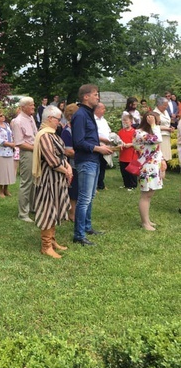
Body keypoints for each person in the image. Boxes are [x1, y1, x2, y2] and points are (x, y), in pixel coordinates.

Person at [71, 84, 113, 246]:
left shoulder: (88, 114)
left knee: (90, 197)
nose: (98, 97)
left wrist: (101, 146)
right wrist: (98, 148)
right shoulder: (80, 115)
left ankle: (87, 227)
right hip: (86, 160)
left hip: (93, 159)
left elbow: (89, 138)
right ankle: (79, 235)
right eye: (95, 94)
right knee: (84, 198)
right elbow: (79, 142)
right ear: (86, 97)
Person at [32, 105, 72, 258]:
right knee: (48, 210)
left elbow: (61, 155)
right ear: (49, 119)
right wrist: (66, 169)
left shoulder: (52, 134)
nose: (59, 122)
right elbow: (51, 159)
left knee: (55, 208)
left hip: (56, 179)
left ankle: (52, 240)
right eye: (57, 119)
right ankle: (46, 246)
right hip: (48, 180)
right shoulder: (45, 135)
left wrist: (66, 165)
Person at [133, 112, 164, 231]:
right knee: (145, 195)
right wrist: (154, 125)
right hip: (146, 168)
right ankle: (145, 223)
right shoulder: (140, 133)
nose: (158, 124)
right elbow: (158, 139)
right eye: (157, 121)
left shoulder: (149, 133)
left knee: (150, 194)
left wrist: (162, 161)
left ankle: (147, 220)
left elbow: (157, 149)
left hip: (153, 167)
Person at [11, 97, 37, 222]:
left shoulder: (30, 118)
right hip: (27, 153)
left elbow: (35, 135)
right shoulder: (18, 121)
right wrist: (35, 148)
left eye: (33, 105)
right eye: (31, 105)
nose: (33, 107)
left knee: (34, 181)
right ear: (23, 107)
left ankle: (32, 207)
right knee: (26, 182)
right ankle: (23, 213)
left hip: (35, 151)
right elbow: (19, 143)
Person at [60, 103, 79, 221]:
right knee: (73, 190)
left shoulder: (76, 129)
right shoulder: (67, 131)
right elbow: (67, 151)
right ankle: (72, 213)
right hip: (72, 165)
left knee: (78, 190)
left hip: (78, 164)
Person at [0, 108, 16, 198]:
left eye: (3, 115)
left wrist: (13, 143)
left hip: (9, 152)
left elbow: (11, 135)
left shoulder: (7, 125)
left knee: (8, 171)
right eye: (0, 116)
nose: (3, 117)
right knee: (1, 172)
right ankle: (1, 191)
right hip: (1, 152)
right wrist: (10, 144)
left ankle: (6, 189)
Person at [94, 102, 112, 190]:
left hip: (106, 144)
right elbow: (93, 134)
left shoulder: (103, 120)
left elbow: (108, 131)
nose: (104, 110)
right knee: (97, 165)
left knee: (103, 165)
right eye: (103, 109)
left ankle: (101, 183)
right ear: (97, 109)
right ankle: (95, 185)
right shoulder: (93, 120)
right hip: (98, 144)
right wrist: (103, 140)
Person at [117, 114, 138, 190]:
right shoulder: (120, 132)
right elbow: (118, 141)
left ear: (131, 122)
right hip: (123, 154)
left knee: (131, 171)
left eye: (126, 120)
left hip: (131, 154)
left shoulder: (135, 132)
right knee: (124, 171)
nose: (125, 122)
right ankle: (126, 184)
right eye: (123, 120)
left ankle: (133, 185)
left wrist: (131, 144)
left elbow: (139, 142)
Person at [153, 96, 173, 165]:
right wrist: (167, 128)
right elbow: (154, 126)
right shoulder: (155, 113)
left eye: (167, 105)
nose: (166, 107)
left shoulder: (166, 111)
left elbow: (167, 122)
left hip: (167, 135)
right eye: (165, 105)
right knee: (161, 156)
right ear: (159, 104)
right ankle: (159, 173)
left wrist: (170, 127)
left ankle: (163, 172)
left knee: (166, 157)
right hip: (160, 136)